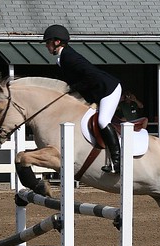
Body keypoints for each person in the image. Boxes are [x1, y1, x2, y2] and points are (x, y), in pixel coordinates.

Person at [43, 24, 122, 173]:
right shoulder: (62, 58)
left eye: (48, 42)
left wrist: (74, 88)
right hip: (96, 91)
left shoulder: (69, 57)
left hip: (108, 90)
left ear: (57, 42)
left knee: (103, 121)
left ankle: (118, 161)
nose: (47, 46)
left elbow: (90, 76)